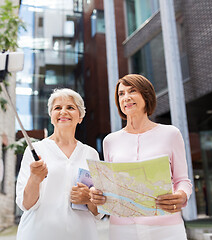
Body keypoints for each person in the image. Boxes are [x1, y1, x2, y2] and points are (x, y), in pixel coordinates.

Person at [90, 74, 193, 240]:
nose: (126, 97)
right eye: (121, 94)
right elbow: (111, 186)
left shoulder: (171, 134)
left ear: (146, 95)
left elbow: (183, 180)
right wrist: (97, 192)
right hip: (122, 230)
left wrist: (181, 195)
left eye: (132, 91)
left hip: (166, 227)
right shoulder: (110, 141)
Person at [15, 88, 102, 240]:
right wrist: (35, 179)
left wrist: (88, 198)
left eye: (70, 107)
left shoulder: (91, 154)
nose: (63, 112)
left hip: (82, 235)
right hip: (38, 234)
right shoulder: (35, 151)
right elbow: (26, 204)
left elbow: (99, 210)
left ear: (80, 116)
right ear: (51, 116)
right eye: (57, 108)